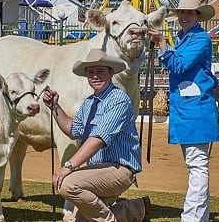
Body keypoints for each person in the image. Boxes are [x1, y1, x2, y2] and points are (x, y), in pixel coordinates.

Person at [42, 49, 150, 222]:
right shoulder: (89, 102)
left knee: (68, 184)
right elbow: (73, 130)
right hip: (98, 171)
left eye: (100, 71)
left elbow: (98, 139)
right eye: (91, 72)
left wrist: (68, 167)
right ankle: (136, 209)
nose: (95, 76)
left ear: (111, 72)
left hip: (119, 170)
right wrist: (55, 107)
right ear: (86, 76)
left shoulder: (118, 100)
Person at [148, 0, 219, 222]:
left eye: (189, 13)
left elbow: (179, 65)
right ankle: (199, 217)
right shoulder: (185, 38)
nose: (183, 16)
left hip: (195, 111)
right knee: (196, 166)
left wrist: (162, 44)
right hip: (189, 110)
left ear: (198, 16)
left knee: (197, 166)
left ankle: (191, 218)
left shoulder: (199, 39)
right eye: (181, 12)